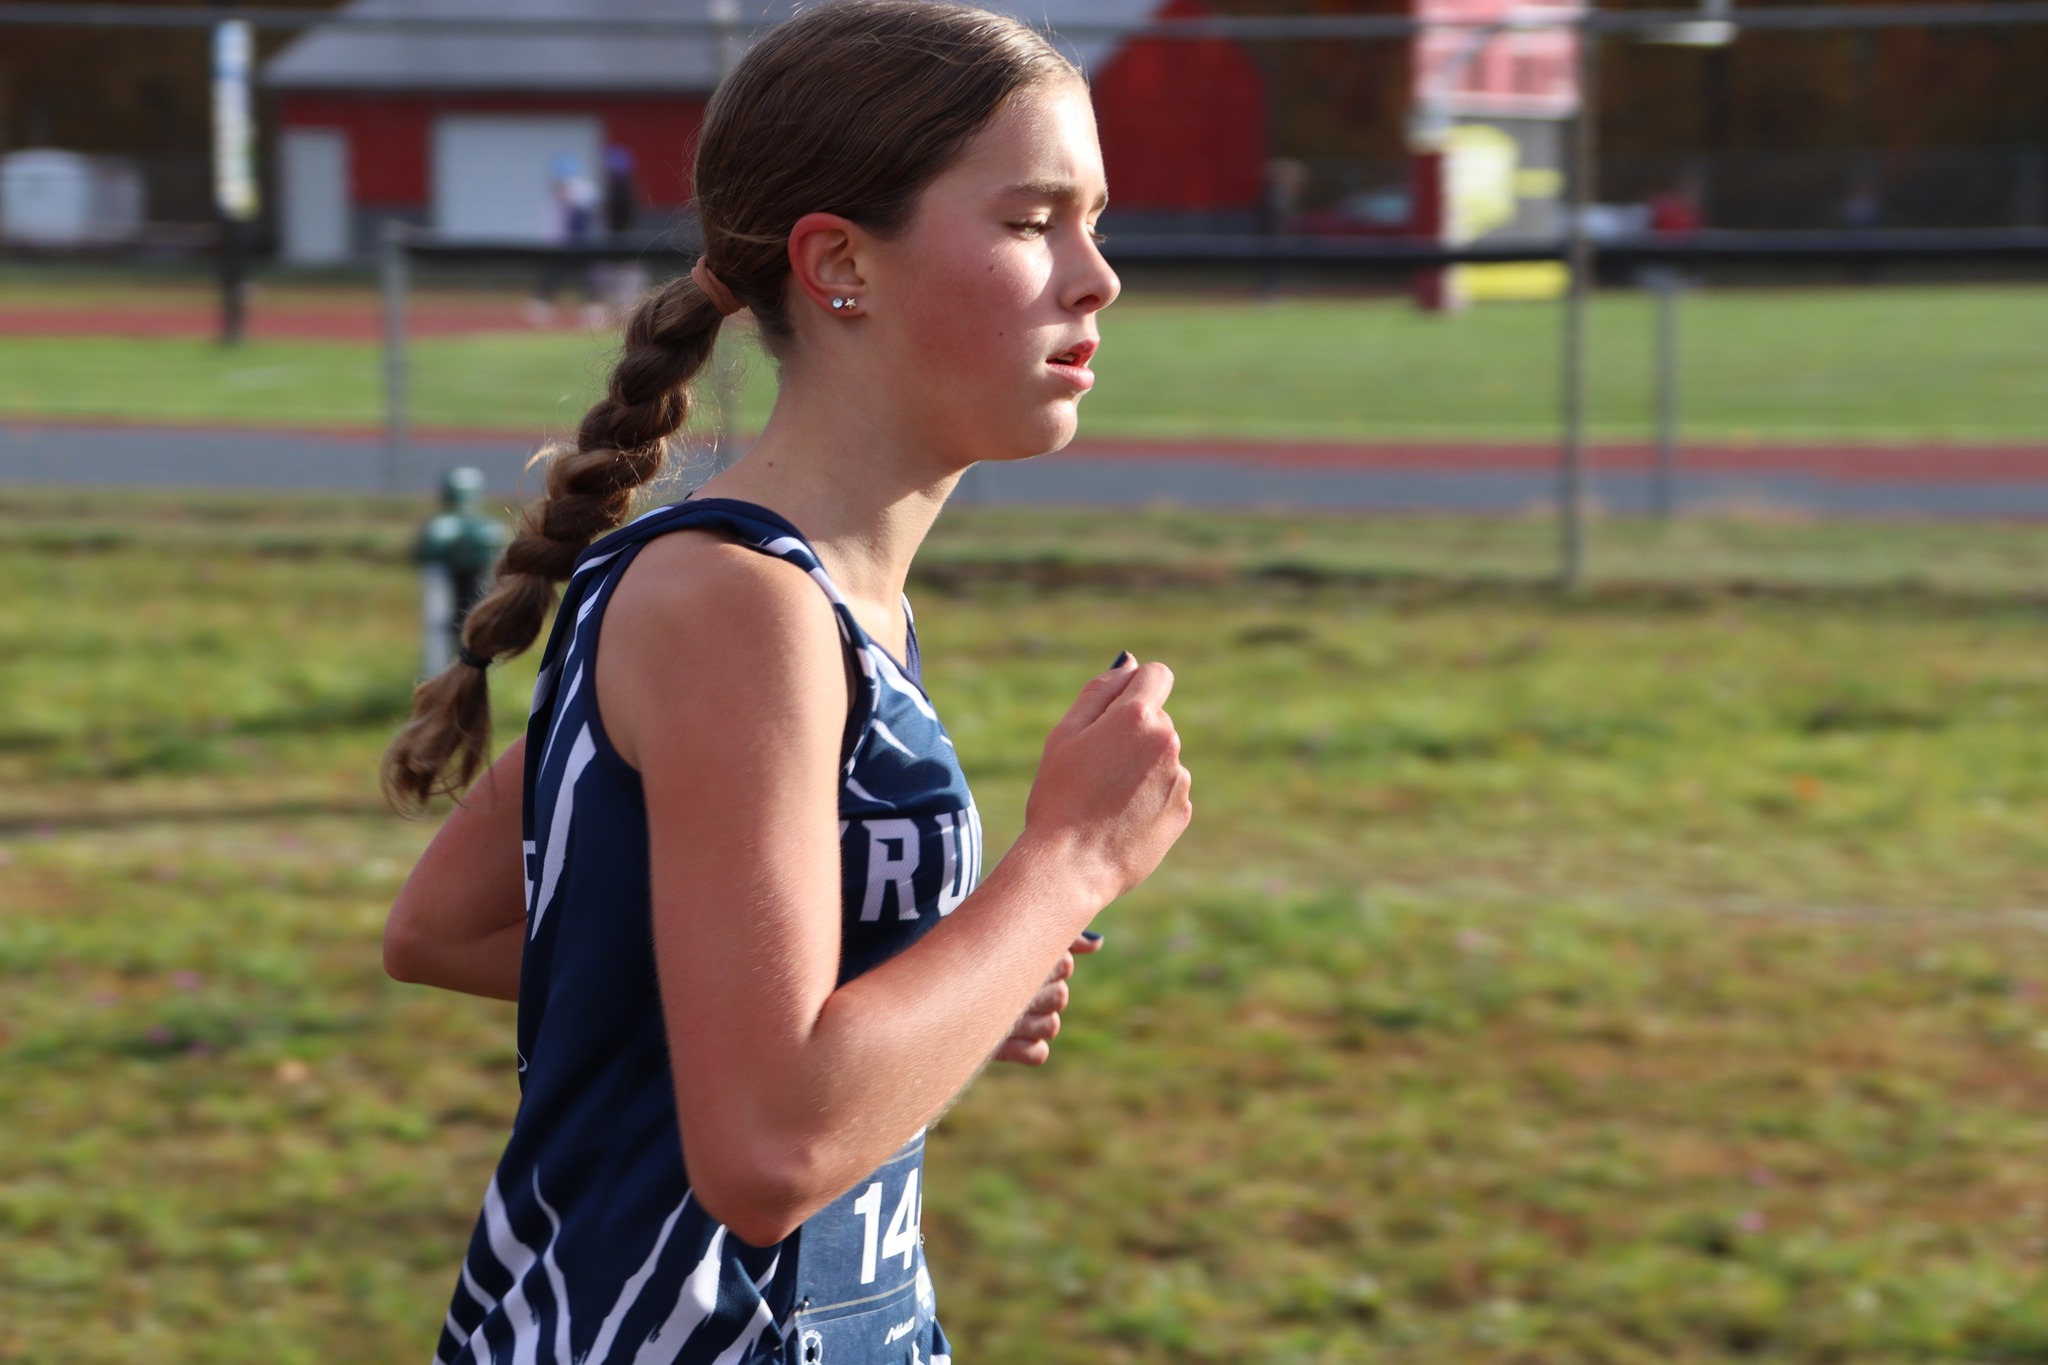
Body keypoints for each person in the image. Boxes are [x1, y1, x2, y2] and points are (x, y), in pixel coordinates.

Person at [378, 4, 1192, 1362]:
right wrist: (1071, 862)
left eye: (1095, 221)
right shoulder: (736, 609)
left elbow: (454, 926)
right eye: (1030, 221)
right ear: (839, 264)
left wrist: (929, 996)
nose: (1096, 277)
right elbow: (770, 1147)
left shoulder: (819, 597)